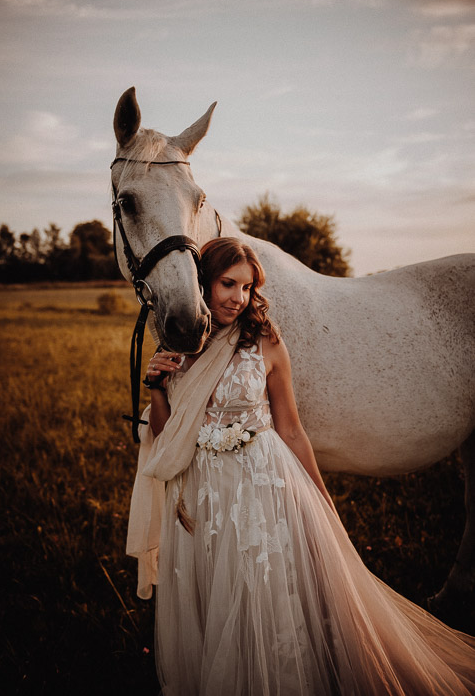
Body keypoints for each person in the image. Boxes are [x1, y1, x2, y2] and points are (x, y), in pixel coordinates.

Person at [127, 237, 475, 696]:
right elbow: (168, 436)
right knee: (212, 590)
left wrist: (319, 495)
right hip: (203, 488)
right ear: (204, 284)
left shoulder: (265, 341)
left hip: (259, 484)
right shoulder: (183, 346)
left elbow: (290, 429)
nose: (237, 297)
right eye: (227, 284)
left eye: (247, 287)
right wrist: (155, 387)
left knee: (264, 590)